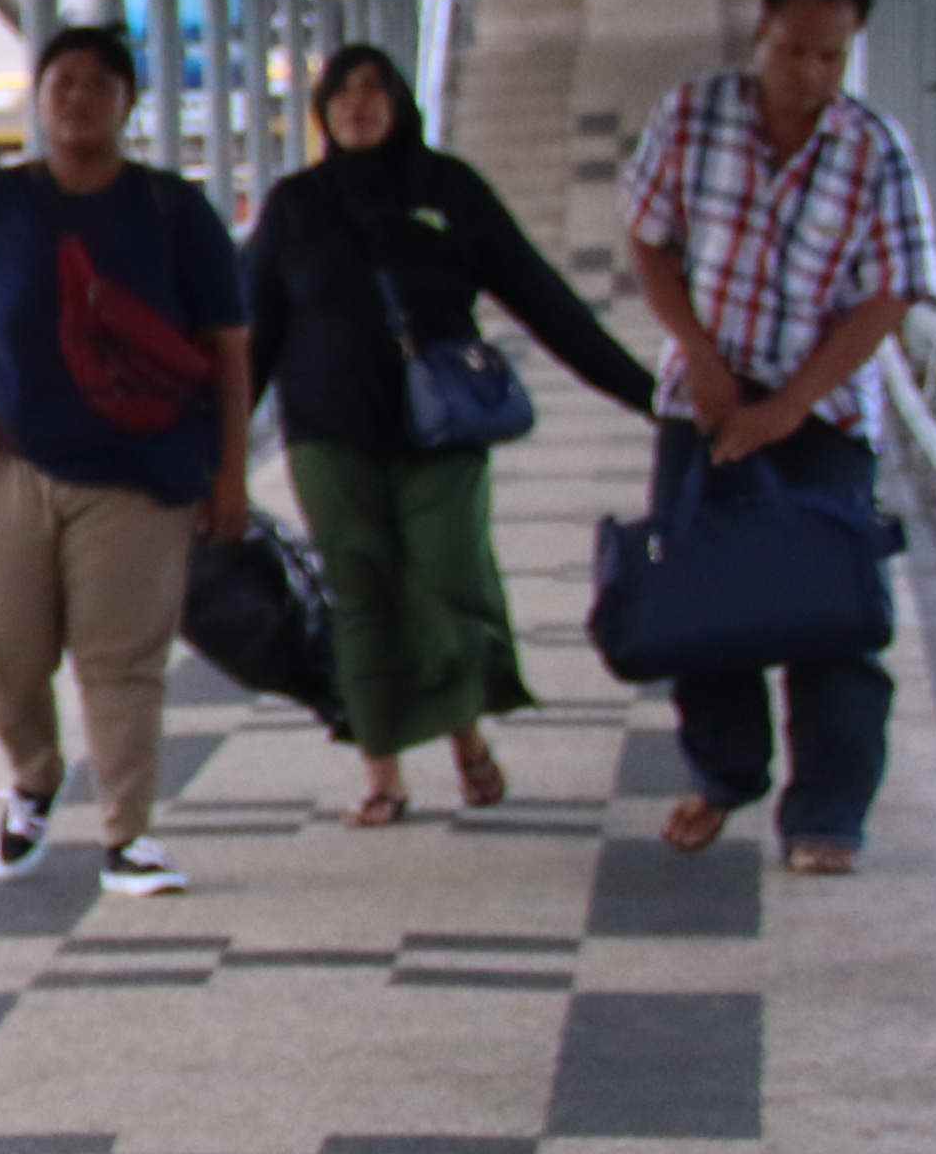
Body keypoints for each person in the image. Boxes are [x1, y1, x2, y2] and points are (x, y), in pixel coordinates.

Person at [0, 24, 253, 897]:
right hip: (7, 463)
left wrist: (228, 470)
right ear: (38, 98)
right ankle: (35, 777)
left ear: (129, 101)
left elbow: (228, 343)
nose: (77, 98)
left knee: (121, 658)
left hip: (139, 470)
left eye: (97, 84)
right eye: (61, 83)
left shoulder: (172, 210)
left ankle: (129, 837)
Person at [247, 42, 659, 826]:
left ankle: (465, 735)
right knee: (360, 592)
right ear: (322, 111)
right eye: (341, 93)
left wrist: (649, 395)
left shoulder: (448, 190)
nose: (358, 105)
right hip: (328, 433)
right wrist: (215, 455)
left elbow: (547, 303)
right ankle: (383, 775)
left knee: (448, 576)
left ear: (401, 100)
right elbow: (253, 339)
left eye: (374, 90)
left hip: (442, 428)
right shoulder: (296, 205)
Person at [619, 0, 936, 876]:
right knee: (700, 599)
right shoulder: (692, 117)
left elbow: (890, 295)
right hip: (702, 398)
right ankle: (725, 772)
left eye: (831, 58)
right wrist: (705, 359)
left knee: (833, 611)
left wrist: (792, 404)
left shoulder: (875, 150)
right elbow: (649, 239)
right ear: (760, 35)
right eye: (795, 50)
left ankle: (828, 811)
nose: (810, 72)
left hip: (824, 413)